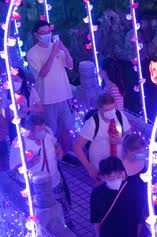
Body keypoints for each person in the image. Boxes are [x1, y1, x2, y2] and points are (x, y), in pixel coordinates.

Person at [9, 114, 71, 226]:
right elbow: (13, 168)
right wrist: (30, 163)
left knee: (61, 206)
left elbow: (55, 143)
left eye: (43, 128)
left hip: (54, 180)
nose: (43, 131)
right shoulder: (19, 144)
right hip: (35, 187)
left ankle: (66, 227)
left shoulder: (47, 133)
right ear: (30, 131)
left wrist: (59, 149)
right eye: (39, 130)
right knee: (40, 213)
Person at [27, 20, 74, 152]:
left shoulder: (56, 46)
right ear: (36, 35)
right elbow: (42, 73)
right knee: (51, 131)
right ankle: (53, 156)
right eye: (43, 33)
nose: (47, 34)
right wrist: (53, 53)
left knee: (67, 127)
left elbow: (70, 65)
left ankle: (66, 153)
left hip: (64, 96)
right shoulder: (32, 53)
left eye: (49, 31)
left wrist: (65, 50)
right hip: (48, 99)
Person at [90, 157, 145, 237]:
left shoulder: (135, 191)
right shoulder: (97, 194)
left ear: (124, 173)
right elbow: (96, 220)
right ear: (102, 177)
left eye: (119, 175)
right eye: (111, 177)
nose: (116, 179)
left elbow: (140, 219)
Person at [73, 93, 131, 182]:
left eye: (113, 109)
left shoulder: (119, 116)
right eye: (107, 110)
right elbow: (77, 147)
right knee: (103, 192)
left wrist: (120, 140)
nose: (111, 113)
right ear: (99, 109)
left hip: (119, 165)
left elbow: (129, 137)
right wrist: (90, 168)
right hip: (99, 167)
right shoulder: (92, 123)